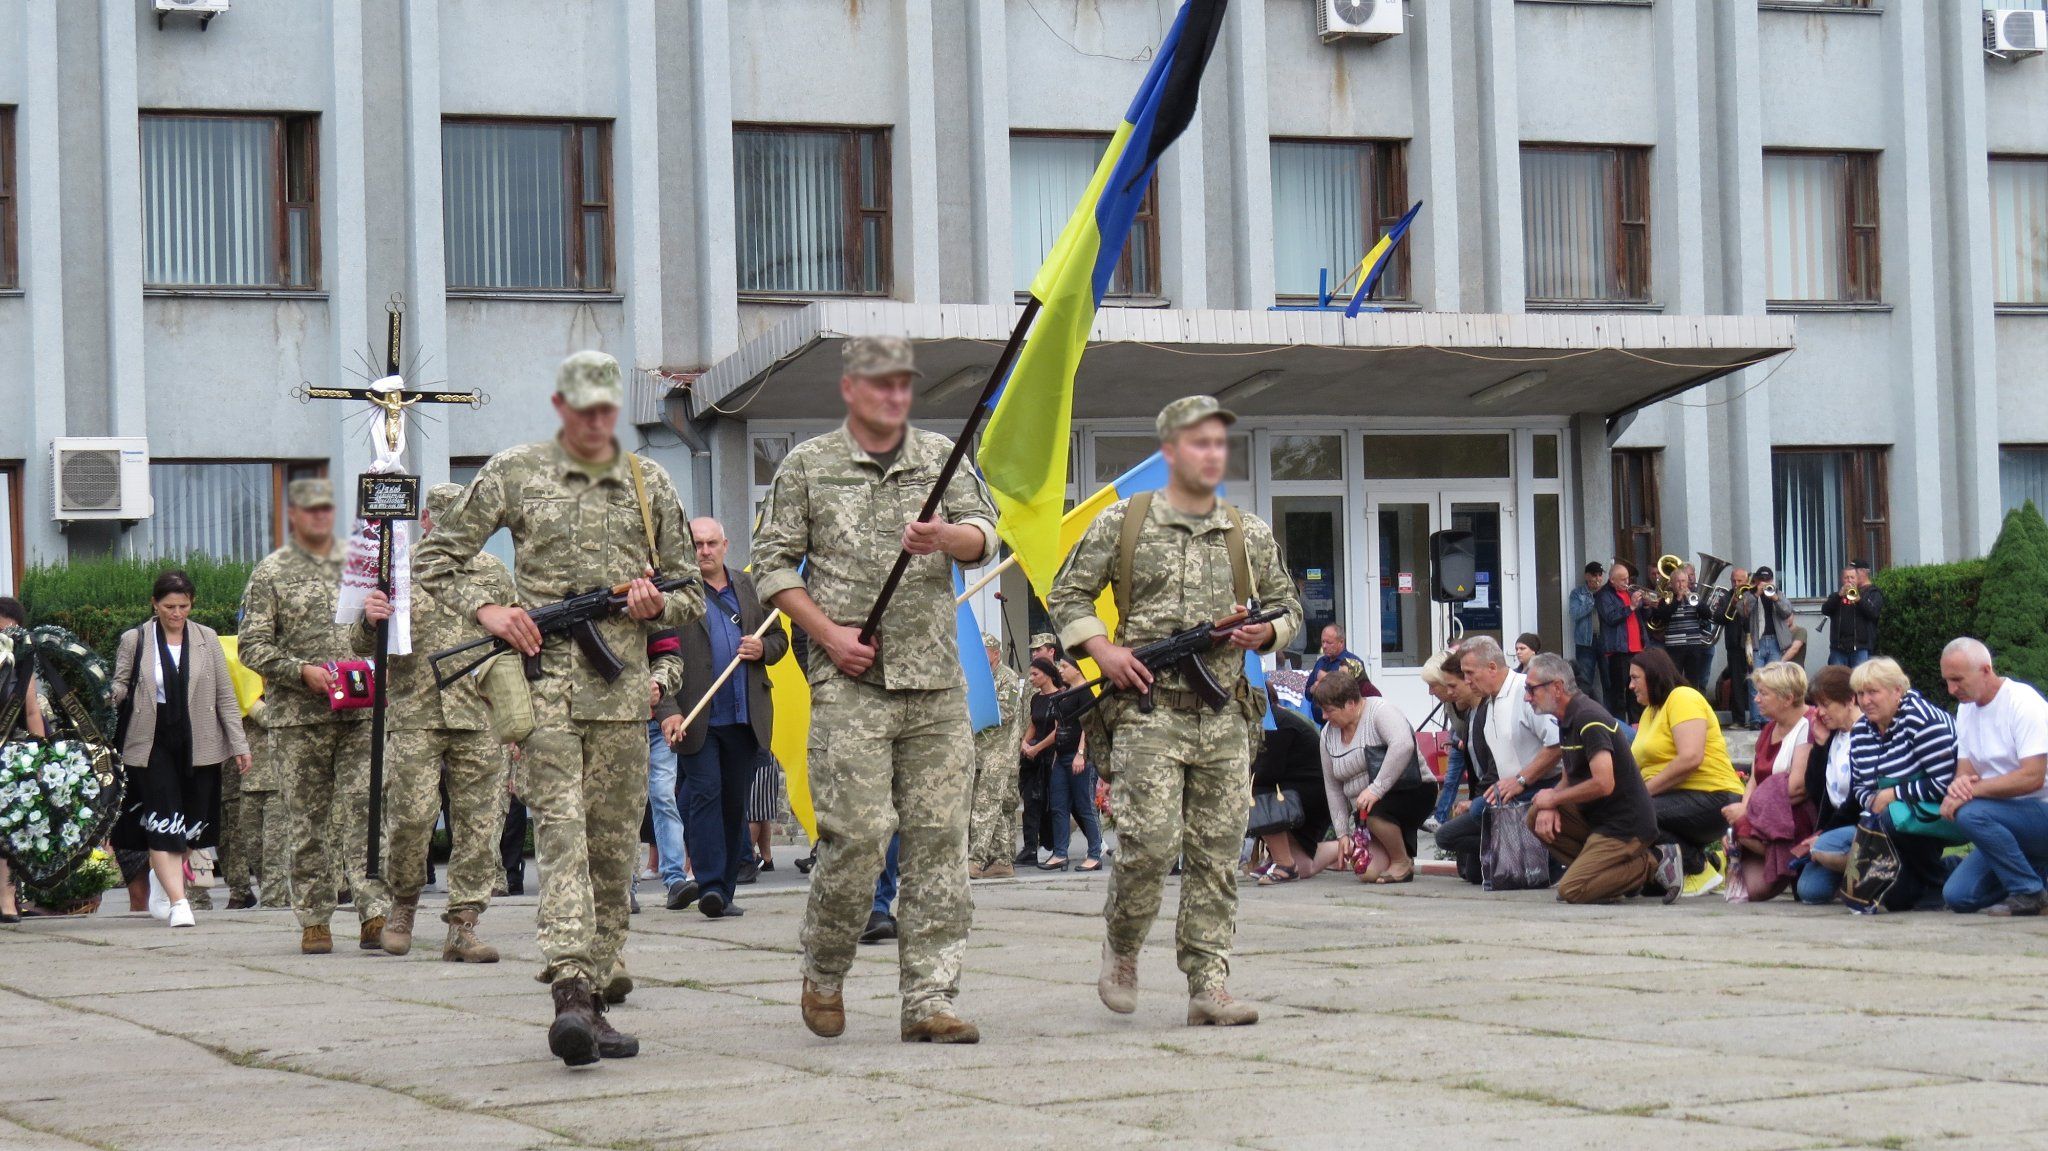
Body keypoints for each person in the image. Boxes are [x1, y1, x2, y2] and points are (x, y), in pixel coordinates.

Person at [416, 350, 701, 1067]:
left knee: (611, 853)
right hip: (544, 690)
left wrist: (655, 600)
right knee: (563, 837)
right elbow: (435, 559)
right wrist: (489, 610)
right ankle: (570, 989)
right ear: (560, 403)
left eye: (607, 405)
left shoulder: (649, 482)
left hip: (620, 694)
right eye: (583, 404)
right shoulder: (515, 470)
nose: (596, 417)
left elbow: (692, 586)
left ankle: (597, 991)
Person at [751, 335, 997, 1045]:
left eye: (903, 384)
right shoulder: (808, 466)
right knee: (857, 836)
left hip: (934, 681)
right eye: (880, 383)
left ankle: (929, 997)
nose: (894, 395)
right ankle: (825, 966)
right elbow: (772, 567)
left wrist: (947, 536)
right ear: (851, 389)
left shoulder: (939, 458)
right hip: (851, 678)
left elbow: (987, 536)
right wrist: (827, 634)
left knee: (941, 840)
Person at [1048, 394, 1300, 1028]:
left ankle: (1208, 982)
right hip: (1147, 710)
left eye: (1219, 445)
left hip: (1222, 716)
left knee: (1218, 853)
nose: (1211, 455)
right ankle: (1124, 948)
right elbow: (1067, 593)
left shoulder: (1247, 532)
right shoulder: (1123, 523)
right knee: (1149, 845)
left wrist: (1264, 636)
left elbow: (1288, 606)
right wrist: (1101, 650)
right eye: (1197, 444)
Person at [357, 484, 515, 961]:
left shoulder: (494, 574)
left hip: (480, 712)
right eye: (443, 519)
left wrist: (518, 720)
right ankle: (403, 904)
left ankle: (464, 925)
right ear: (425, 520)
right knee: (410, 818)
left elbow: (516, 641)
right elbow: (361, 646)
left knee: (480, 825)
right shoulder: (399, 570)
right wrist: (369, 620)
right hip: (414, 713)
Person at [238, 478, 386, 953]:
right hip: (300, 720)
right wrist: (299, 671)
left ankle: (374, 913)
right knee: (308, 820)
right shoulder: (271, 572)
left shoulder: (360, 563)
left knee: (366, 813)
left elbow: (380, 627)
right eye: (310, 510)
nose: (320, 517)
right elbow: (251, 645)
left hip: (360, 714)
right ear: (294, 516)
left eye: (327, 508)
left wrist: (373, 622)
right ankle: (314, 917)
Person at [653, 517, 786, 920]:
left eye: (711, 543)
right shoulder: (674, 593)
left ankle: (724, 890)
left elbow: (779, 639)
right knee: (705, 794)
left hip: (745, 716)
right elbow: (658, 654)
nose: (704, 551)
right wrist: (668, 712)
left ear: (726, 545)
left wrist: (763, 648)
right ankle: (709, 884)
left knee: (733, 804)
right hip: (697, 718)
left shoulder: (750, 588)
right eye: (697, 544)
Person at [108, 571, 254, 931]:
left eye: (183, 606)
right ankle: (179, 901)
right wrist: (111, 695)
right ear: (155, 604)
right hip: (151, 740)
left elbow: (225, 696)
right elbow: (120, 684)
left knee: (189, 825)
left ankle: (164, 879)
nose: (176, 613)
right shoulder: (136, 638)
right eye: (169, 606)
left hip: (198, 741)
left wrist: (239, 744)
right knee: (162, 817)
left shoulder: (206, 638)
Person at [1522, 654, 1678, 904]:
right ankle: (1606, 878)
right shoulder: (1566, 719)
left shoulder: (1589, 717)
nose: (1527, 697)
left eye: (1531, 689)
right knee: (1534, 815)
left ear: (1557, 687)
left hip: (1625, 825)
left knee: (1571, 890)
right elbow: (1569, 776)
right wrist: (1549, 803)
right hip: (1597, 819)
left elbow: (1604, 782)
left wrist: (1554, 798)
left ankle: (1654, 862)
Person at [1433, 636, 1563, 880]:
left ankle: (1542, 857)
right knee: (1449, 835)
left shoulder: (1526, 690)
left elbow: (1557, 743)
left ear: (1492, 667)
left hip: (1540, 786)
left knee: (1474, 819)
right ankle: (1519, 852)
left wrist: (1521, 780)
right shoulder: (1488, 701)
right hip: (1508, 791)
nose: (1467, 680)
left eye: (1470, 673)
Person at [1939, 638, 2048, 916]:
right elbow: (1966, 771)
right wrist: (1958, 788)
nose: (1951, 689)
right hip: (2008, 821)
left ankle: (2030, 892)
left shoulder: (2024, 703)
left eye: (1957, 680)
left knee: (1972, 813)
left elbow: (2033, 777)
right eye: (1947, 681)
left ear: (1986, 670)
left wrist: (1971, 793)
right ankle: (2035, 872)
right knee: (1958, 896)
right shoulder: (1966, 709)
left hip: (2040, 810)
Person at [1627, 648, 1744, 894]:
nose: (1630, 685)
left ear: (1654, 675)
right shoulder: (1651, 711)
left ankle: (1697, 868)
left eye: (1635, 678)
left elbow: (1690, 758)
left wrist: (1642, 794)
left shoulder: (1682, 697)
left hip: (1715, 795)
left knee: (1635, 813)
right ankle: (1714, 864)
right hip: (1679, 799)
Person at [1844, 657, 1956, 910]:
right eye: (1861, 693)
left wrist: (1893, 794)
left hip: (1941, 810)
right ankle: (1936, 880)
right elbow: (1860, 786)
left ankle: (1941, 877)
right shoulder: (1861, 730)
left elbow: (1947, 781)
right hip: (1890, 817)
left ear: (1897, 691)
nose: (1865, 700)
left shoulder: (1923, 721)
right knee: (1894, 899)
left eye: (1873, 692)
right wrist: (1873, 800)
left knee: (1891, 817)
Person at [1313, 670, 1436, 884]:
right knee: (1367, 873)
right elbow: (1332, 787)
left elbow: (1403, 744)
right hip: (1369, 809)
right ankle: (1397, 851)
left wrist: (1376, 789)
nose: (1324, 717)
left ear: (1351, 703)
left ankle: (1401, 862)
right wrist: (1342, 834)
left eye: (1329, 711)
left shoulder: (1380, 710)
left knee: (1371, 811)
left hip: (1412, 790)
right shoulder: (1327, 735)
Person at [1722, 661, 1816, 902]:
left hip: (1795, 816)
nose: (1756, 699)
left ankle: (1794, 859)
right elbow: (1754, 779)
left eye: (1763, 693)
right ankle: (1785, 863)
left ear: (1788, 698)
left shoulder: (1810, 724)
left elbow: (1797, 788)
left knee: (1742, 829)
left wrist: (1747, 814)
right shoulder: (1768, 729)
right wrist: (1743, 810)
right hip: (1765, 817)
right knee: (1749, 890)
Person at [1791, 666, 1863, 905]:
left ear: (1849, 700)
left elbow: (1856, 798)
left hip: (1860, 822)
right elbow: (1815, 790)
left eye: (1826, 705)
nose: (1819, 712)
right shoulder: (1833, 735)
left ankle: (1882, 871)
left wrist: (1823, 834)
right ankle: (1855, 878)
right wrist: (1820, 745)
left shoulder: (1866, 733)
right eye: (1817, 705)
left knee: (1823, 849)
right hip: (1836, 828)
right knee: (1809, 891)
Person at [1025, 658, 1103, 872]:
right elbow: (1059, 724)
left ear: (1077, 670)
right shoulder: (1064, 693)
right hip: (1061, 756)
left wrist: (1081, 753)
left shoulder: (1085, 691)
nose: (1061, 670)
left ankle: (1095, 854)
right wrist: (1058, 755)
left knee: (1085, 805)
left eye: (1065, 667)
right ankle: (1060, 853)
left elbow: (1089, 725)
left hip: (1079, 757)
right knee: (1059, 806)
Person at [1250, 695, 1334, 884]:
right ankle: (1341, 847)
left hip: (1312, 795)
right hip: (1294, 792)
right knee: (1304, 867)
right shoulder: (1264, 720)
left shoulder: (1275, 724)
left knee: (1256, 792)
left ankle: (1284, 863)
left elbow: (1267, 774)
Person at [967, 633, 1028, 880]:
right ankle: (1002, 860)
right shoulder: (978, 678)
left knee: (986, 807)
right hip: (979, 754)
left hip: (999, 755)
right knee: (989, 810)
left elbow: (1006, 710)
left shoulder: (1007, 678)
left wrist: (976, 711)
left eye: (985, 651)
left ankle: (975, 860)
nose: (980, 656)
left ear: (995, 653)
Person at [0, 596, 43, 922]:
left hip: (12, 749)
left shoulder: (23, 661)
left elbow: (32, 711)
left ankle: (7, 898)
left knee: (10, 827)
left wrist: (42, 755)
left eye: (12, 629)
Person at [1423, 650, 1472, 831]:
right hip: (1462, 747)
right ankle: (1441, 816)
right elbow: (1456, 726)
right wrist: (1455, 739)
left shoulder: (1471, 705)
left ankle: (1441, 817)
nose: (1430, 692)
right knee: (1451, 780)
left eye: (1433, 685)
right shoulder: (1449, 704)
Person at [1595, 560, 1650, 722]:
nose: (1627, 582)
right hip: (1618, 651)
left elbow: (1643, 619)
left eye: (1628, 578)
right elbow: (1611, 618)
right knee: (1619, 693)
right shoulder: (1603, 595)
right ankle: (1619, 728)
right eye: (1623, 579)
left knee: (1636, 691)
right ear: (1612, 580)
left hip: (1637, 649)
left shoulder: (1629, 592)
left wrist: (1646, 606)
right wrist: (1631, 606)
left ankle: (1636, 725)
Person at [1650, 564, 1715, 692]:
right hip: (1674, 646)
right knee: (1675, 681)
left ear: (1687, 582)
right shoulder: (1667, 599)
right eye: (1677, 582)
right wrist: (1678, 599)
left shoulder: (1695, 597)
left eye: (1683, 581)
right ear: (1672, 584)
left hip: (1693, 645)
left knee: (1692, 682)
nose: (1681, 585)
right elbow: (1663, 616)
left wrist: (1695, 602)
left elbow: (1707, 614)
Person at [1302, 624, 1374, 724]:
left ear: (1341, 642)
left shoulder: (1352, 662)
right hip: (1322, 724)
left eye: (1329, 642)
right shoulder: (1320, 662)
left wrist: (1327, 679)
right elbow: (1307, 693)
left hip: (1343, 723)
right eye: (1323, 642)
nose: (1324, 646)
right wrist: (1313, 689)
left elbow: (1351, 693)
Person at [1821, 560, 1884, 668]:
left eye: (1852, 577)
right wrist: (1839, 596)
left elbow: (1873, 614)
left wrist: (1859, 600)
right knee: (1838, 680)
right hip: (1838, 649)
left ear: (1857, 579)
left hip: (1859, 648)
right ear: (1842, 579)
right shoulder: (1835, 596)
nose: (1849, 580)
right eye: (1846, 578)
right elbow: (1825, 610)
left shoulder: (1867, 595)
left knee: (1859, 682)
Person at [1569, 562, 1604, 707]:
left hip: (1604, 640)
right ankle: (1586, 710)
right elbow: (1575, 614)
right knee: (1584, 680)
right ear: (1586, 576)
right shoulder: (1578, 593)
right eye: (1594, 575)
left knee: (1607, 680)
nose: (1597, 578)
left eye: (1600, 575)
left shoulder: (1606, 592)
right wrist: (1592, 601)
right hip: (1585, 643)